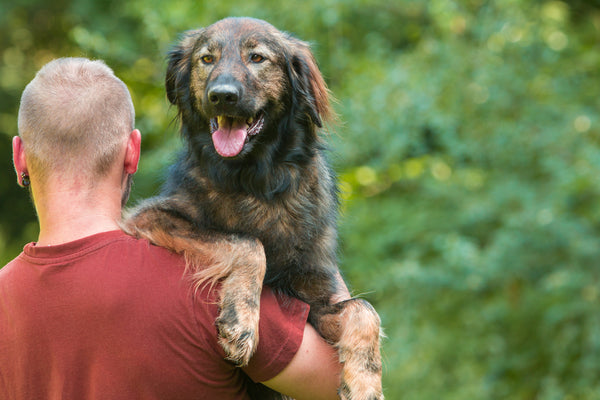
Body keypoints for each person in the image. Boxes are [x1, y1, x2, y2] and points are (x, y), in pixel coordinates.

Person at [0, 57, 347, 400]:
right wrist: (309, 220)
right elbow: (344, 379)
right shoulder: (206, 281)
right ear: (132, 152)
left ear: (19, 157)